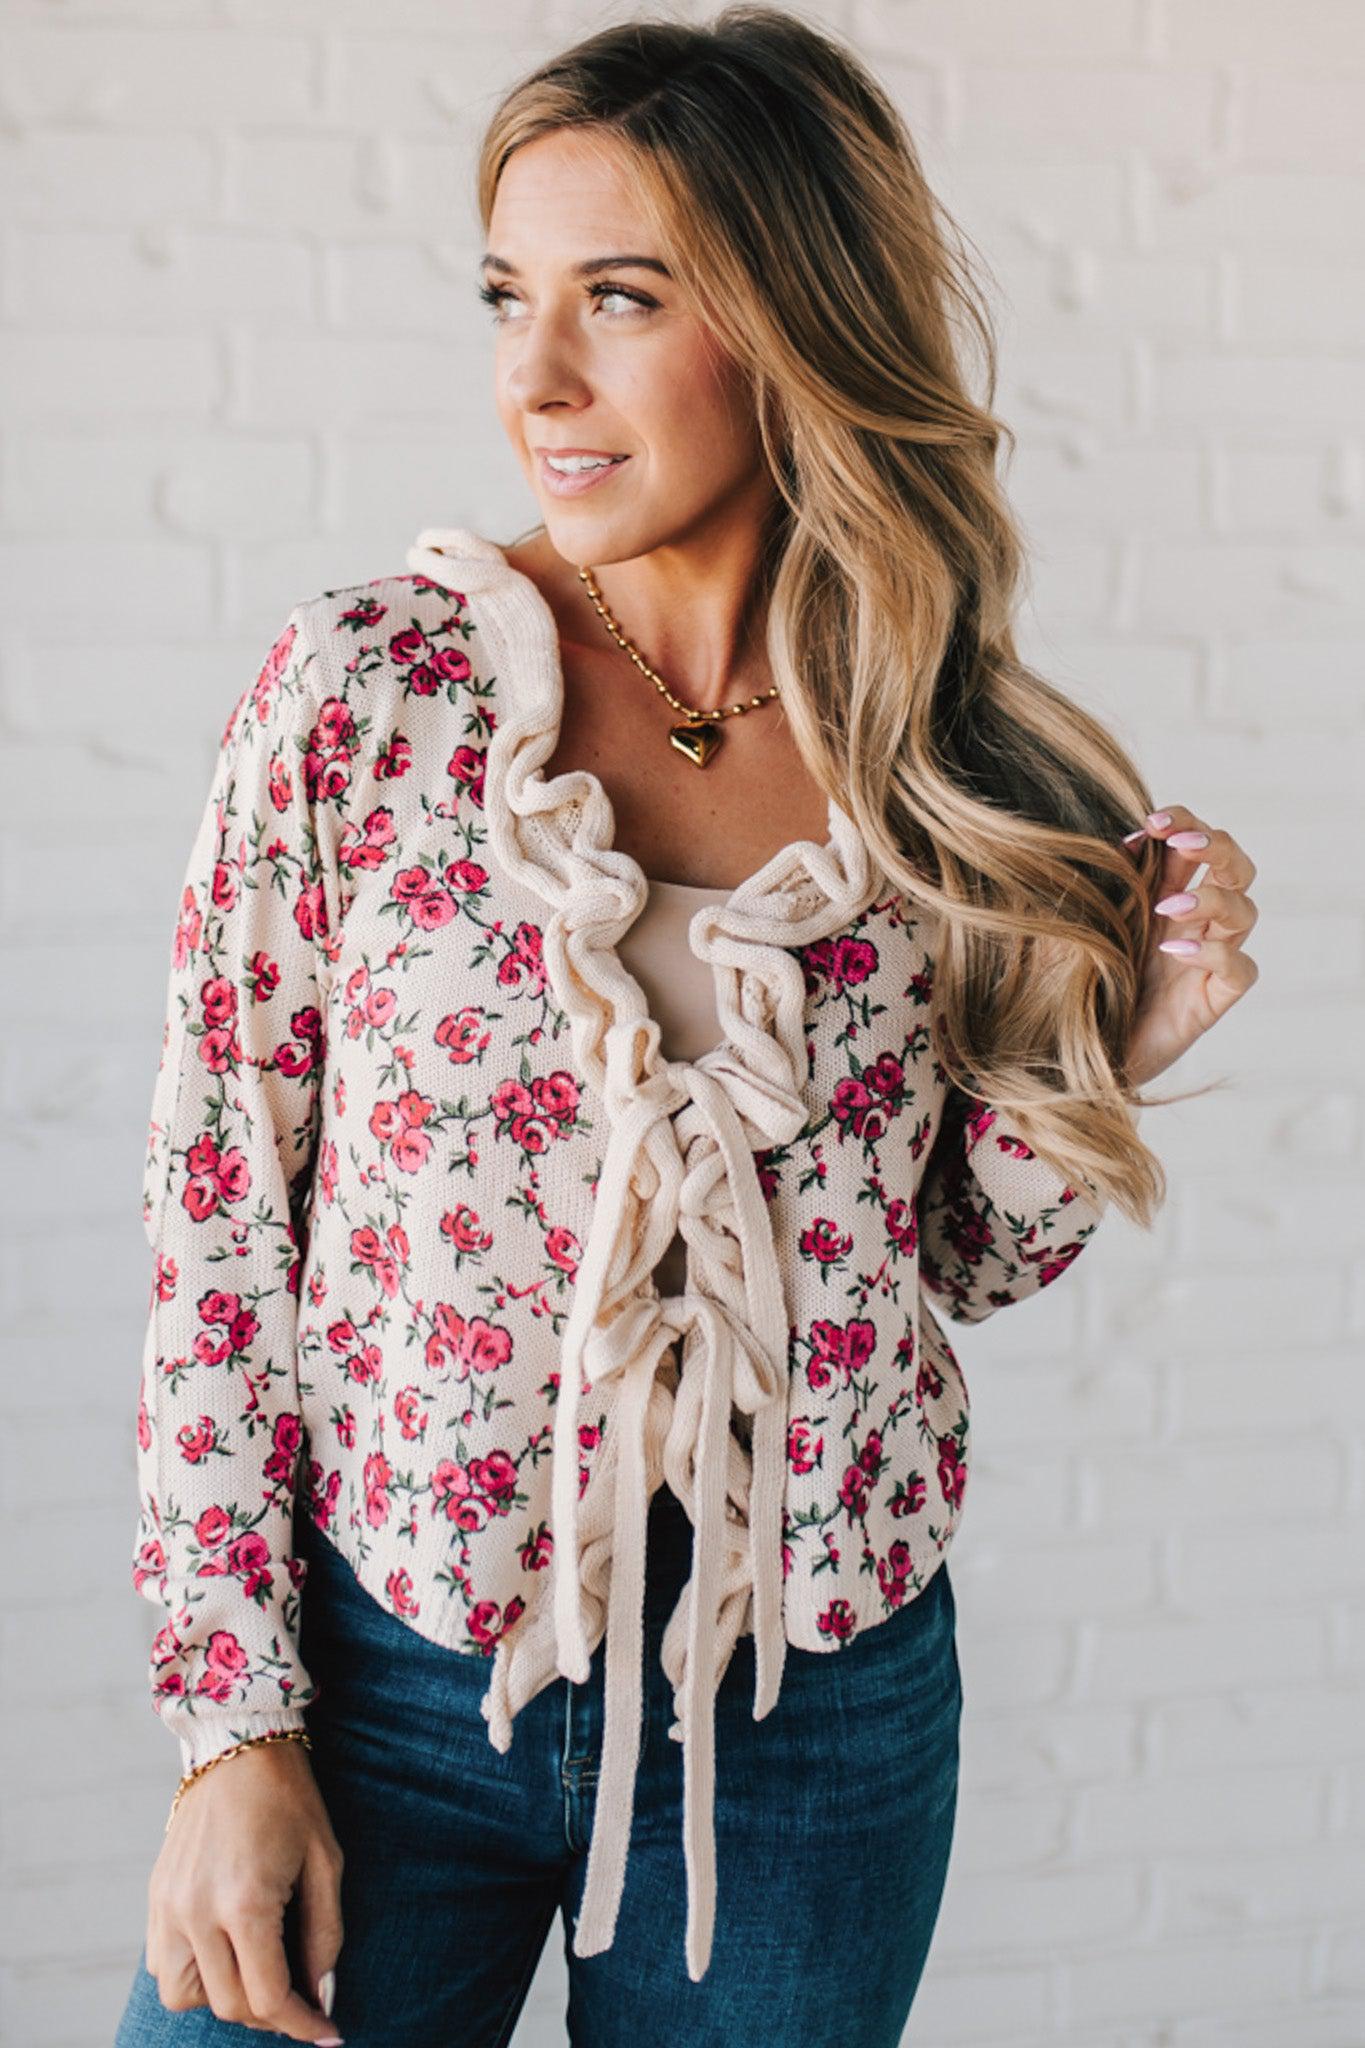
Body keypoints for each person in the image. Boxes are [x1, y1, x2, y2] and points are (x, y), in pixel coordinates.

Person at [114, 10, 1259, 2046]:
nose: (530, 379)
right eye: (505, 296)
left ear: (790, 320)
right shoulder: (366, 694)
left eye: (616, 300)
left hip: (811, 1714)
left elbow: (945, 1264)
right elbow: (217, 1223)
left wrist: (1113, 1045)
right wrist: (229, 1731)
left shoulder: (954, 762)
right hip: (394, 1680)